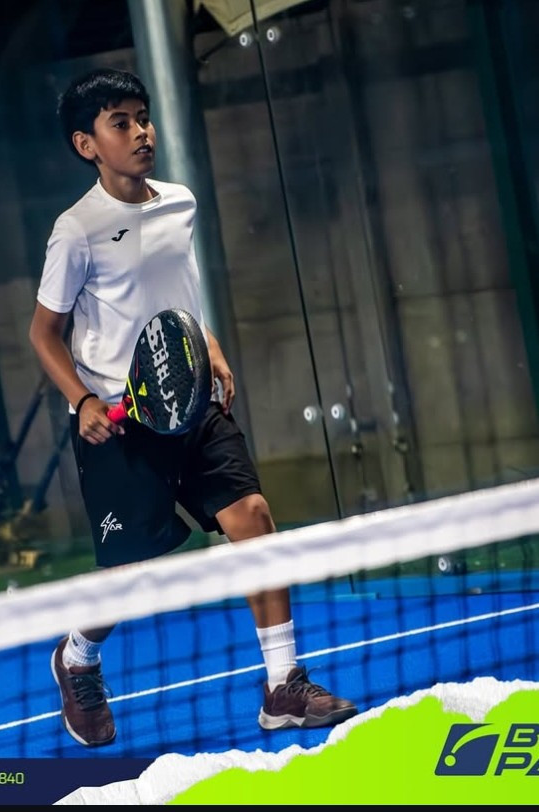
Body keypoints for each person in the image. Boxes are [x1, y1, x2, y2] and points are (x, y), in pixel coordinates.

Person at [28, 67, 357, 748]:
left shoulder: (179, 202)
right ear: (87, 145)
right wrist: (82, 400)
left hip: (192, 402)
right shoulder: (76, 230)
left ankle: (282, 686)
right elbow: (43, 333)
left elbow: (179, 292)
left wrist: (209, 345)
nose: (141, 132)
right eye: (121, 122)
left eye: (143, 117)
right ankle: (78, 655)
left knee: (253, 517)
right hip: (118, 421)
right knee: (134, 573)